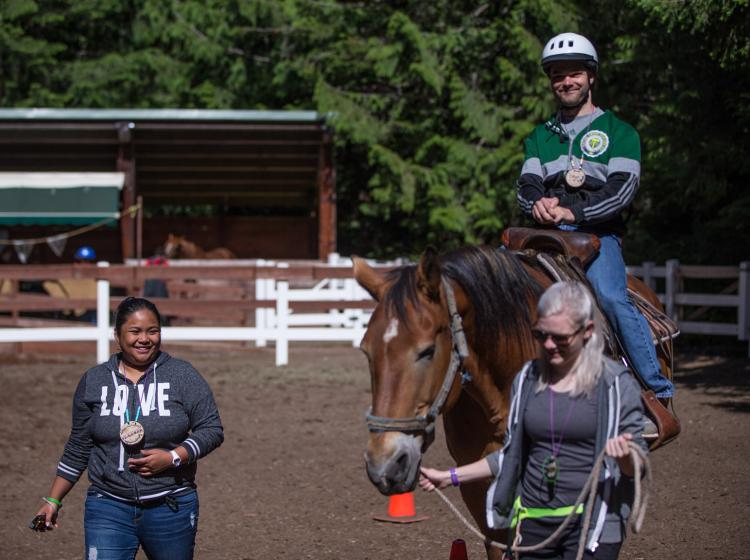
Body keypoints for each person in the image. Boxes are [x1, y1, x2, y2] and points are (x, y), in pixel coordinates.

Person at [420, 281, 647, 559]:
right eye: (541, 335)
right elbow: (513, 455)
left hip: (592, 524)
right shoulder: (528, 378)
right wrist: (450, 476)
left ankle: (656, 383)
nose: (549, 345)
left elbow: (635, 467)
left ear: (587, 332)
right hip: (533, 524)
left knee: (612, 295)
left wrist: (624, 455)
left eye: (560, 338)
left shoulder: (615, 384)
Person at [515, 32, 674, 402]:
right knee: (499, 288)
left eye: (574, 74)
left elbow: (621, 192)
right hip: (545, 236)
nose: (566, 82)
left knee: (611, 296)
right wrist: (537, 204)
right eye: (558, 75)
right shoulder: (539, 137)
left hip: (598, 238)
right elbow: (526, 186)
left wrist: (575, 211)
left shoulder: (620, 133)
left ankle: (656, 390)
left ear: (591, 77)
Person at [30, 296, 224, 560]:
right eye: (135, 331)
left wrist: (173, 458)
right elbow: (79, 446)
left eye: (152, 331)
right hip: (107, 505)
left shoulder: (182, 375)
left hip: (171, 505)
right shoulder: (94, 381)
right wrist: (53, 501)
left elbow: (211, 428)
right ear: (117, 335)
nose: (144, 339)